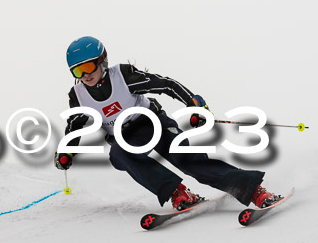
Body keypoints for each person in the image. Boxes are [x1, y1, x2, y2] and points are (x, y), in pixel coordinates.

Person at [54, 36, 279, 210]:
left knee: (186, 159)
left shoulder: (122, 76)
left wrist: (194, 104)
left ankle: (253, 191)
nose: (84, 75)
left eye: (88, 67)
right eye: (77, 70)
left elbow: (166, 85)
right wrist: (66, 152)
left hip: (153, 123)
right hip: (126, 138)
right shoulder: (79, 95)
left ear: (102, 61)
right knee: (119, 155)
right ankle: (178, 193)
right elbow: (75, 125)